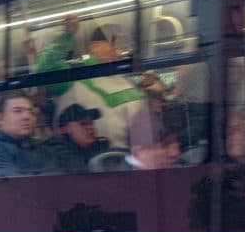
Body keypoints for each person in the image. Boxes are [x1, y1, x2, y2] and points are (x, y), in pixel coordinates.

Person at [36, 16, 156, 149]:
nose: (122, 50)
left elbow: (144, 132)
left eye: (126, 43)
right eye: (116, 42)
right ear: (95, 46)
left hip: (121, 158)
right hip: (74, 159)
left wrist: (153, 96)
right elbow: (43, 71)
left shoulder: (131, 84)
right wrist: (67, 35)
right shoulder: (75, 71)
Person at [98, 112, 181, 171]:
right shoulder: (115, 184)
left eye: (176, 143)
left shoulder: (180, 170)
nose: (174, 153)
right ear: (137, 151)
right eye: (164, 145)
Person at [42, 103, 110, 172]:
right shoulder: (54, 152)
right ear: (64, 129)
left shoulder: (100, 147)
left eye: (91, 123)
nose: (91, 127)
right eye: (83, 124)